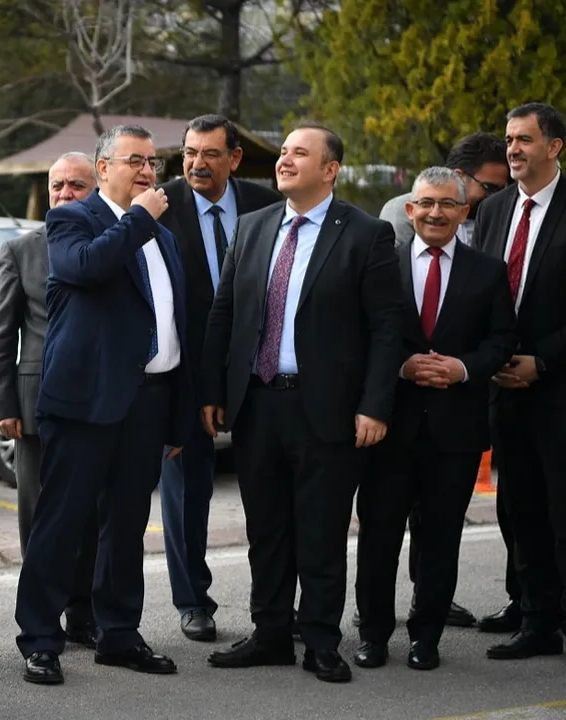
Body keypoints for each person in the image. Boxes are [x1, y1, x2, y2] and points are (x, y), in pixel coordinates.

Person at [201, 123, 400, 683]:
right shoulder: (253, 226)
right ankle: (269, 634)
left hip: (327, 409)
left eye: (299, 153)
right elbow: (224, 313)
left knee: (321, 532)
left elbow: (387, 327)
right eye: (283, 151)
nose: (284, 160)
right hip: (257, 403)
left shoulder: (366, 234)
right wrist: (213, 391)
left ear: (330, 169)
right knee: (266, 531)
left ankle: (319, 641)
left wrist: (375, 405)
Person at [15, 124, 192, 686]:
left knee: (127, 524)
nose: (146, 171)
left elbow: (175, 324)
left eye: (152, 162)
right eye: (134, 160)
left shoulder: (162, 236)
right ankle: (40, 639)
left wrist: (178, 414)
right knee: (61, 523)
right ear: (103, 167)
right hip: (84, 401)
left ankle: (118, 633)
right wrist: (137, 218)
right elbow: (84, 268)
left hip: (149, 401)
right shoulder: (73, 219)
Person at [353, 167, 515, 671]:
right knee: (379, 537)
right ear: (409, 209)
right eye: (425, 203)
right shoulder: (382, 264)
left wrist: (462, 368)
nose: (435, 213)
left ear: (464, 212)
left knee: (442, 540)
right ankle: (374, 634)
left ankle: (426, 637)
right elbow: (360, 335)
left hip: (456, 430)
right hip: (389, 425)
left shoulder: (488, 271)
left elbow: (502, 340)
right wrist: (403, 365)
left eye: (447, 204)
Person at [155, 114, 282, 642]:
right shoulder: (160, 206)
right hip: (183, 373)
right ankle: (193, 601)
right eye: (189, 153)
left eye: (210, 153)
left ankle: (276, 605)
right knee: (187, 496)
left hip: (257, 371)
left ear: (234, 158)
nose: (197, 164)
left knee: (272, 493)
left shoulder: (267, 205)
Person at [0, 151, 99, 649]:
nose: (64, 194)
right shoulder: (20, 250)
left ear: (96, 190)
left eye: (76, 185)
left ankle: (83, 614)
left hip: (98, 404)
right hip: (35, 408)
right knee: (38, 520)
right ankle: (42, 622)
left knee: (91, 516)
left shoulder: (109, 244)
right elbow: (1, 335)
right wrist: (4, 404)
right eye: (57, 185)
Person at [473, 102, 566, 661]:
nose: (512, 149)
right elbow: (482, 292)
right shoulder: (493, 210)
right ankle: (537, 619)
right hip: (502, 388)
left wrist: (543, 362)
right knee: (520, 509)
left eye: (524, 140)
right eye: (509, 140)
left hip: (557, 389)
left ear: (554, 147)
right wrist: (487, 359)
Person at [380, 133, 510, 246]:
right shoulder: (401, 213)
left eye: (502, 189)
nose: (495, 196)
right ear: (459, 177)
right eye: (489, 188)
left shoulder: (500, 218)